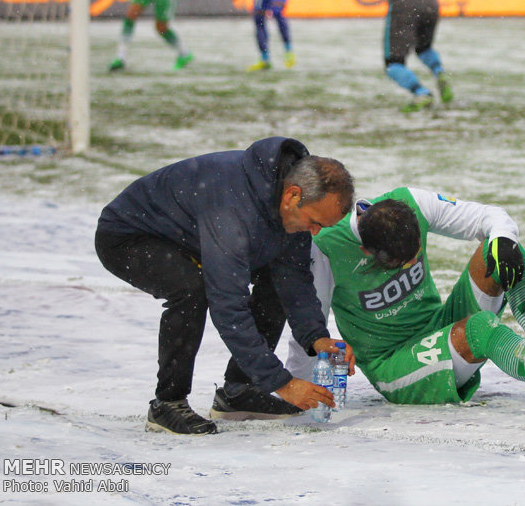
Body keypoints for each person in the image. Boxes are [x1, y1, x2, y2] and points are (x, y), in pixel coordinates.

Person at [95, 137, 356, 434]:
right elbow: (229, 306)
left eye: (322, 226)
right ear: (293, 195)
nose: (315, 232)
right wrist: (281, 383)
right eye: (314, 222)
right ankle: (168, 403)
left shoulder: (290, 202)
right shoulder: (232, 209)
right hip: (129, 237)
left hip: (190, 237)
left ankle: (239, 391)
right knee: (192, 289)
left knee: (276, 277)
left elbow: (294, 278)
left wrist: (316, 338)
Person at [285, 187, 525, 406]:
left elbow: (491, 217)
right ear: (366, 251)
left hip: (436, 326)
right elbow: (307, 324)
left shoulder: (412, 201)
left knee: (502, 250)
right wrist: (296, 384)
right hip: (393, 363)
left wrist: (502, 237)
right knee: (481, 328)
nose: (411, 265)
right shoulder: (324, 250)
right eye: (399, 264)